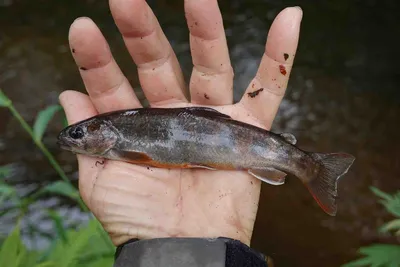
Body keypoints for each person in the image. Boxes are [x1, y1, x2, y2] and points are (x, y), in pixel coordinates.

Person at [59, 0, 302, 266]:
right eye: (78, 134)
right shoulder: (117, 136)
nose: (74, 139)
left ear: (103, 131)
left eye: (79, 134)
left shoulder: (121, 143)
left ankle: (306, 165)